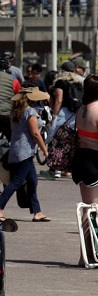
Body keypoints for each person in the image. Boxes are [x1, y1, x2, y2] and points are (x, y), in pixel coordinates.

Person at [0, 87, 51, 222]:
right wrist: (45, 150)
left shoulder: (16, 112)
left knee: (32, 181)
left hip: (16, 150)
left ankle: (37, 211)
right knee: (16, 182)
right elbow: (35, 133)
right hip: (25, 152)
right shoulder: (30, 112)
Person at [72, 74, 98, 264]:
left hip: (81, 159)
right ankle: (90, 254)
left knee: (87, 210)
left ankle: (85, 255)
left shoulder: (82, 109)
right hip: (94, 161)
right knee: (93, 210)